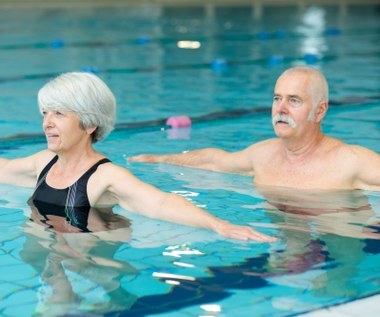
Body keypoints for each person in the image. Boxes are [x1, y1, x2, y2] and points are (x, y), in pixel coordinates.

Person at [0, 71, 275, 242]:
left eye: (59, 113)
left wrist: (220, 225)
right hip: (45, 255)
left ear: (89, 123)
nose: (47, 122)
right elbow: (4, 168)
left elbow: (161, 203)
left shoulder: (105, 176)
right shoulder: (43, 162)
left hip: (88, 265)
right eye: (45, 113)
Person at [129, 66, 380, 191]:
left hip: (339, 247)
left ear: (320, 111)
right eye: (276, 98)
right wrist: (160, 159)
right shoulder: (263, 155)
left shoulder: (350, 161)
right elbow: (215, 161)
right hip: (283, 245)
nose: (280, 109)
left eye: (294, 100)